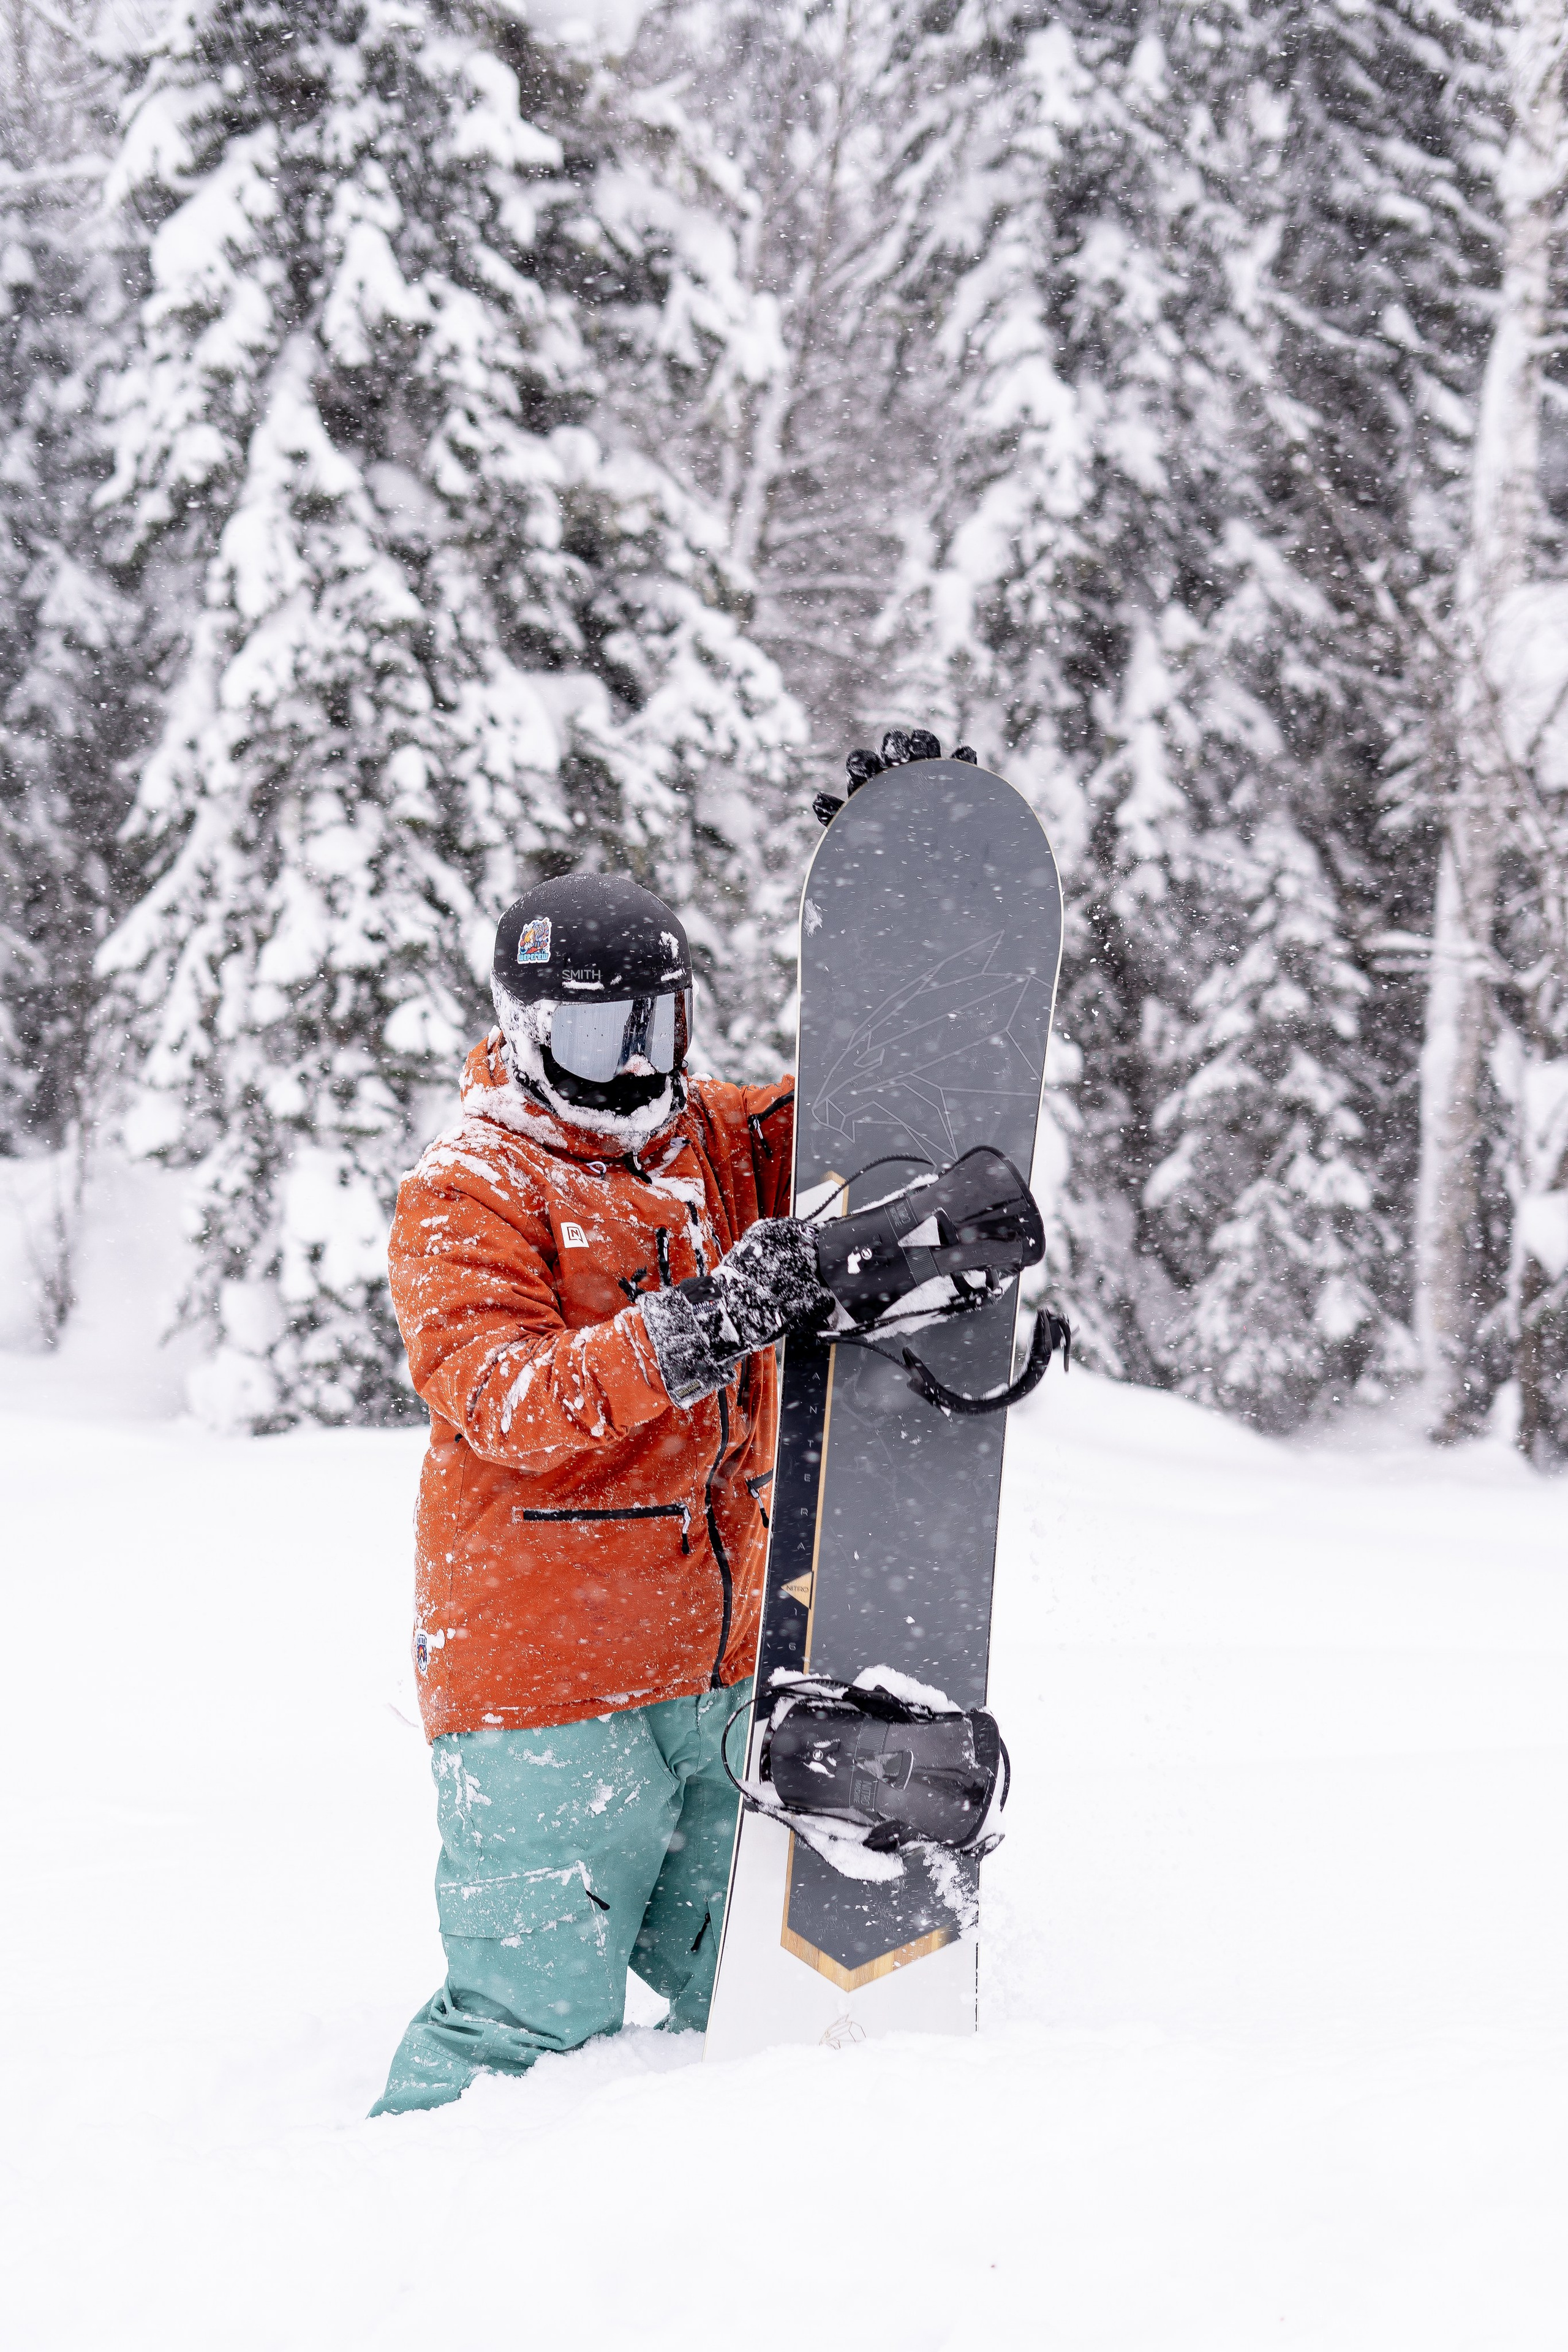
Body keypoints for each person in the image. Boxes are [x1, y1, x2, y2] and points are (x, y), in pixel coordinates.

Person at [372, 729, 968, 2115]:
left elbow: (873, 1120)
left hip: (718, 1671)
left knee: (756, 1988)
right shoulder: (470, 1185)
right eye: (594, 1036)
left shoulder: (710, 1136)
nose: (630, 1065)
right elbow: (507, 1397)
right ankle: (408, 2201)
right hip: (543, 1688)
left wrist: (912, 894)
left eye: (653, 1028)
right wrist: (711, 1318)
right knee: (530, 2022)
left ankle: (747, 2202)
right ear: (526, 1032)